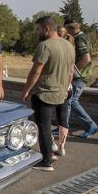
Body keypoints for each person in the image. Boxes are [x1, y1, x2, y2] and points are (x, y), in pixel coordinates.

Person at [22, 16, 75, 171]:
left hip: (44, 92)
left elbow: (35, 72)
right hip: (62, 92)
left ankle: (47, 161)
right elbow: (70, 71)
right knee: (57, 122)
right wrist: (65, 88)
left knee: (43, 127)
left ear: (46, 29)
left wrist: (26, 90)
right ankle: (50, 153)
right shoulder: (68, 45)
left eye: (38, 29)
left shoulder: (45, 46)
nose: (36, 33)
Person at [64, 18, 98, 138]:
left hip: (79, 76)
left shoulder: (79, 39)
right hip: (83, 75)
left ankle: (90, 125)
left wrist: (73, 70)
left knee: (71, 101)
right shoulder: (85, 37)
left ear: (71, 28)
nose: (67, 33)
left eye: (67, 30)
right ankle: (64, 128)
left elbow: (86, 58)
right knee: (71, 101)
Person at [53, 26, 75, 157]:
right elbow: (71, 73)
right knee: (63, 119)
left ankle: (51, 144)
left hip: (56, 88)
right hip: (68, 88)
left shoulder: (56, 49)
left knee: (44, 117)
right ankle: (62, 146)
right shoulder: (71, 49)